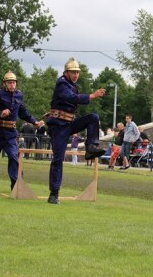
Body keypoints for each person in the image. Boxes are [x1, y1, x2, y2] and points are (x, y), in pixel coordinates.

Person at [43, 58, 105, 204]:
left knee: (93, 118)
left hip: (69, 124)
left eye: (77, 72)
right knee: (58, 158)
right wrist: (91, 96)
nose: (76, 75)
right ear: (66, 72)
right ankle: (54, 194)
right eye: (73, 72)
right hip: (58, 126)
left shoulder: (72, 85)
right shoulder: (62, 83)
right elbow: (70, 98)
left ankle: (91, 147)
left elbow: (74, 98)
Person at [0, 71, 44, 191]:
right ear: (5, 84)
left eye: (14, 82)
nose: (12, 85)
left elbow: (23, 112)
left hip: (10, 133)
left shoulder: (19, 95)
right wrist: (0, 113)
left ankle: (15, 184)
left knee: (14, 157)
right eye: (9, 83)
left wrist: (34, 122)